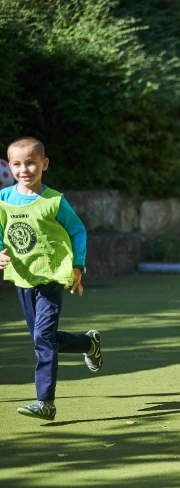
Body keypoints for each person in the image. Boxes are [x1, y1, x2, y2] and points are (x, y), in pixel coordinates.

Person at [0, 137, 102, 421]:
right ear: (9, 167)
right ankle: (87, 343)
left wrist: (78, 267)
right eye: (17, 164)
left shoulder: (54, 200)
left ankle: (45, 401)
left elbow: (78, 231)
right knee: (42, 336)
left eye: (31, 162)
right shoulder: (3, 199)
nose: (25, 169)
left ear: (44, 164)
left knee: (42, 338)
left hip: (52, 277)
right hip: (22, 277)